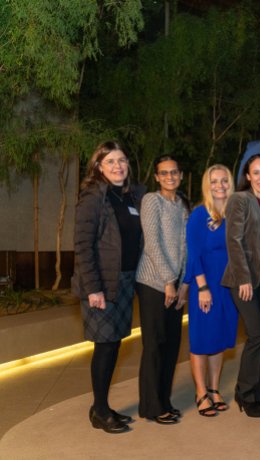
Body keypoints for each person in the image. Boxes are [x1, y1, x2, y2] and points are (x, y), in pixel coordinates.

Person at [72, 141, 144, 433]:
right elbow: (82, 246)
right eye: (111, 161)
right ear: (98, 167)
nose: (118, 166)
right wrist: (94, 289)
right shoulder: (92, 198)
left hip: (125, 282)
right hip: (100, 285)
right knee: (104, 346)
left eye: (122, 161)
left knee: (113, 344)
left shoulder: (128, 197)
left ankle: (101, 406)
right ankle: (100, 411)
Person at [222, 154, 260, 418]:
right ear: (247, 176)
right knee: (256, 334)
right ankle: (244, 393)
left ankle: (257, 393)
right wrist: (244, 278)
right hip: (243, 281)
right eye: (256, 173)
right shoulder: (240, 200)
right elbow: (233, 240)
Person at [135, 155, 189, 425]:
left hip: (175, 285)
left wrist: (182, 285)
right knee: (154, 345)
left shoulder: (181, 205)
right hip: (153, 283)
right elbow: (152, 242)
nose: (170, 177)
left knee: (171, 346)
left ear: (180, 175)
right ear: (156, 177)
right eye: (164, 173)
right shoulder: (151, 201)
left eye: (174, 172)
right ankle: (151, 406)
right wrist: (169, 280)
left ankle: (164, 400)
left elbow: (185, 246)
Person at [184, 164, 238, 418]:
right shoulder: (199, 214)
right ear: (207, 185)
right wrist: (203, 287)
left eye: (224, 180)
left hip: (228, 286)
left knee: (219, 339)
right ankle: (200, 392)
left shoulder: (234, 214)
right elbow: (193, 253)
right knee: (201, 339)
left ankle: (215, 389)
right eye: (214, 181)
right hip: (205, 285)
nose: (220, 185)